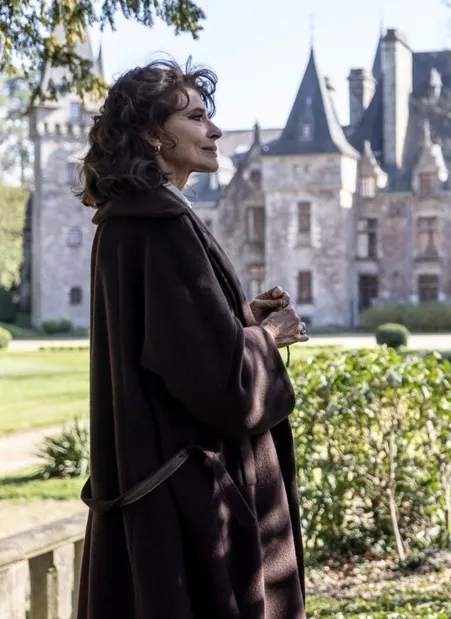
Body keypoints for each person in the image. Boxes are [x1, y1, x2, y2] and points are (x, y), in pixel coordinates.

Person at [76, 59, 310, 619]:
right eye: (197, 117)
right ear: (156, 134)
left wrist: (239, 317)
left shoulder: (126, 223)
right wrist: (269, 337)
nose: (214, 131)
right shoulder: (163, 226)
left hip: (159, 495)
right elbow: (222, 387)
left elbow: (173, 342)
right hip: (192, 505)